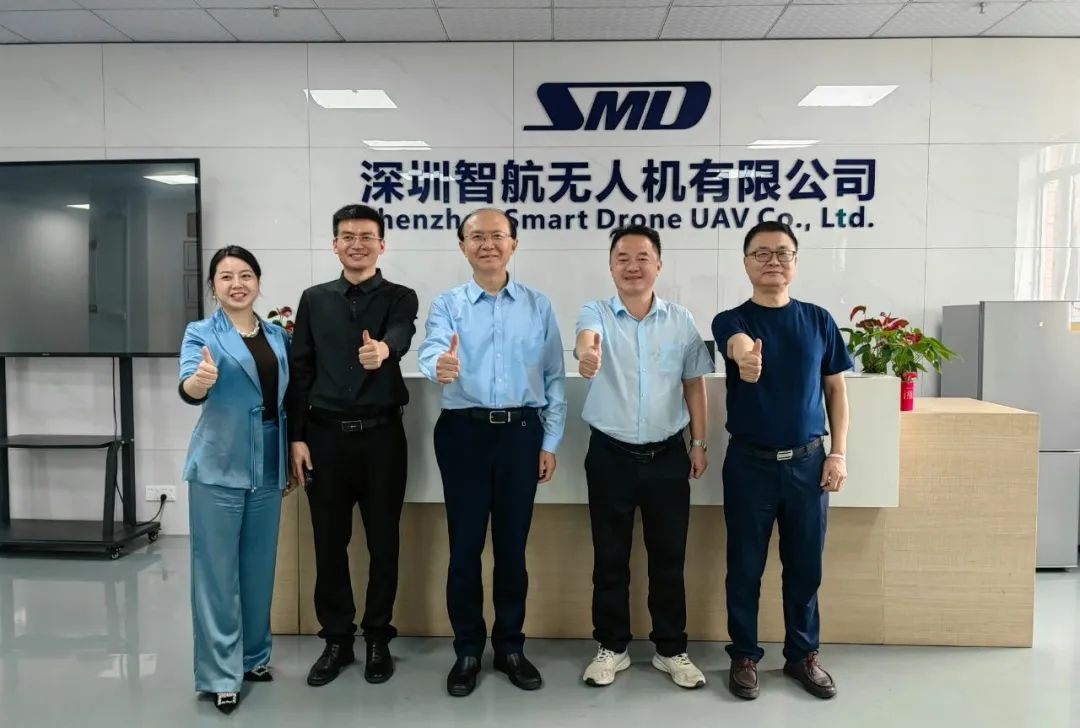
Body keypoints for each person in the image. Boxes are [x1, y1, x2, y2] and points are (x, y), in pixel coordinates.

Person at [417, 208, 567, 698]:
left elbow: (554, 377)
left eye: (497, 236)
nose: (487, 244)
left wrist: (549, 442)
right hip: (463, 434)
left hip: (521, 435)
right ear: (462, 246)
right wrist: (438, 366)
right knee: (464, 547)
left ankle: (509, 647)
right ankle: (466, 650)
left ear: (513, 244)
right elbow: (432, 349)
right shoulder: (448, 304)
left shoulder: (538, 305)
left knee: (511, 548)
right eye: (476, 237)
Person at [711, 221, 852, 701]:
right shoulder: (731, 320)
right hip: (749, 465)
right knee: (744, 565)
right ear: (746, 262)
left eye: (782, 252)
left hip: (809, 464)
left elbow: (836, 390)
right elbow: (735, 344)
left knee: (805, 567)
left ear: (795, 260)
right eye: (761, 253)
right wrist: (745, 358)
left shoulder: (819, 320)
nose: (773, 261)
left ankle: (802, 655)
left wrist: (838, 453)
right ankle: (744, 655)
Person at [575, 225, 714, 690]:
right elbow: (586, 340)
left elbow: (693, 383)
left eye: (642, 257)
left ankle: (671, 649)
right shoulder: (595, 312)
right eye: (622, 258)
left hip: (667, 455)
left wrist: (699, 442)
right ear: (610, 265)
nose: (632, 266)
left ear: (658, 264)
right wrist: (587, 356)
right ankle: (611, 647)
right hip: (610, 454)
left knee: (669, 558)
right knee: (609, 557)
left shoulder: (681, 320)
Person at [287, 204, 419, 687]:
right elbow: (300, 369)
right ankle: (337, 640)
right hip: (324, 438)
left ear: (382, 245)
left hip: (382, 437)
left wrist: (384, 349)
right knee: (328, 543)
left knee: (384, 542)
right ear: (335, 244)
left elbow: (402, 332)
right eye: (348, 236)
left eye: (366, 237)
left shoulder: (400, 296)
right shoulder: (314, 299)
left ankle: (378, 637)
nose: (357, 244)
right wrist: (296, 436)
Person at [179, 245, 295, 715]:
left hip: (267, 462)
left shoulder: (277, 335)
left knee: (258, 567)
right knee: (216, 572)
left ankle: (253, 657)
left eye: (245, 275)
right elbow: (189, 385)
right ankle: (219, 674)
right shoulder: (201, 333)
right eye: (226, 276)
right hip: (219, 463)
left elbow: (288, 398)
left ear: (258, 282)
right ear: (214, 286)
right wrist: (200, 380)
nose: (237, 284)